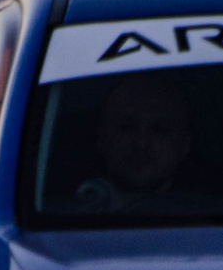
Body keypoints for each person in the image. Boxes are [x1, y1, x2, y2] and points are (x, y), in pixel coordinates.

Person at [74, 74, 193, 211]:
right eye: (126, 127)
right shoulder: (62, 213)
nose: (141, 143)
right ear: (102, 138)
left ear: (184, 145)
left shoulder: (206, 213)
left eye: (159, 130)